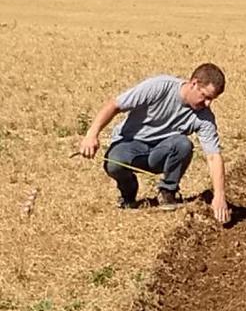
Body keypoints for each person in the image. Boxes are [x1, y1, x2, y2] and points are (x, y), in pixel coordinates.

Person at [78, 63, 230, 222]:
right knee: (114, 163)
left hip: (160, 153)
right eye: (205, 96)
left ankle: (167, 192)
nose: (207, 104)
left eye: (212, 99)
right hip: (130, 144)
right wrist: (91, 135)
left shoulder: (204, 117)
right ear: (194, 83)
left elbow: (213, 156)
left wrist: (219, 196)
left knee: (184, 144)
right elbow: (115, 105)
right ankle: (128, 193)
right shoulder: (160, 86)